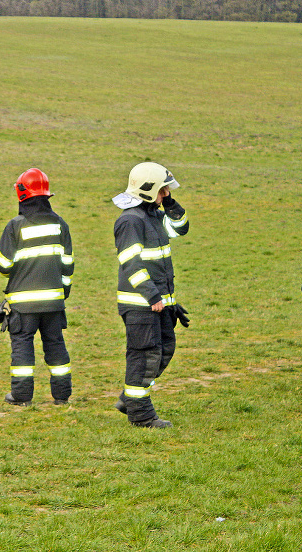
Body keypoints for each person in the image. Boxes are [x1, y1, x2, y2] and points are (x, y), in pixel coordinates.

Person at [112, 162, 189, 428]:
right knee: (143, 356)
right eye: (162, 189)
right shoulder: (130, 220)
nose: (165, 192)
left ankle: (129, 399)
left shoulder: (153, 217)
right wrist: (153, 296)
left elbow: (181, 228)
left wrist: (169, 203)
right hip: (142, 304)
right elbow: (130, 263)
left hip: (160, 301)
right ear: (148, 190)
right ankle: (141, 415)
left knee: (165, 349)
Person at [0, 169, 74, 406]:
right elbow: (68, 266)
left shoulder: (15, 226)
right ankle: (62, 396)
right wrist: (62, 294)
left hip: (23, 304)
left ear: (21, 194)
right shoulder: (60, 224)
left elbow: (4, 265)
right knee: (56, 345)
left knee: (22, 346)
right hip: (54, 302)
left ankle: (21, 396)